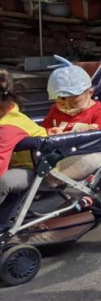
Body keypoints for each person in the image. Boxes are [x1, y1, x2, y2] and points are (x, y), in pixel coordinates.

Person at [42, 63, 101, 182]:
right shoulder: (55, 109)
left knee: (92, 159)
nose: (68, 107)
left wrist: (90, 131)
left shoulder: (99, 111)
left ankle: (55, 179)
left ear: (90, 93)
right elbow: (45, 127)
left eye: (74, 103)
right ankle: (47, 177)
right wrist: (50, 132)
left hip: (83, 152)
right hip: (58, 151)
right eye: (62, 103)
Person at [0, 70, 45, 206]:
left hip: (38, 170)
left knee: (3, 181)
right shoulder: (9, 112)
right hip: (15, 163)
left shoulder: (8, 127)